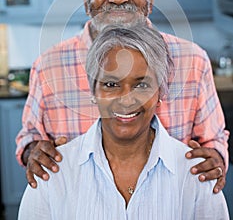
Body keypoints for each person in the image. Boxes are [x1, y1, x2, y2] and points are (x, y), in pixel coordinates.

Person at [16, 0, 228, 193]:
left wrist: (215, 157)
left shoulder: (193, 60)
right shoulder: (48, 66)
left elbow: (214, 140)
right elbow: (29, 138)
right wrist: (32, 152)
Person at [18, 26, 229, 219]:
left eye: (142, 85)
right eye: (111, 84)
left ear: (160, 93)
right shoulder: (52, 173)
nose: (126, 99)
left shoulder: (197, 176)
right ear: (93, 91)